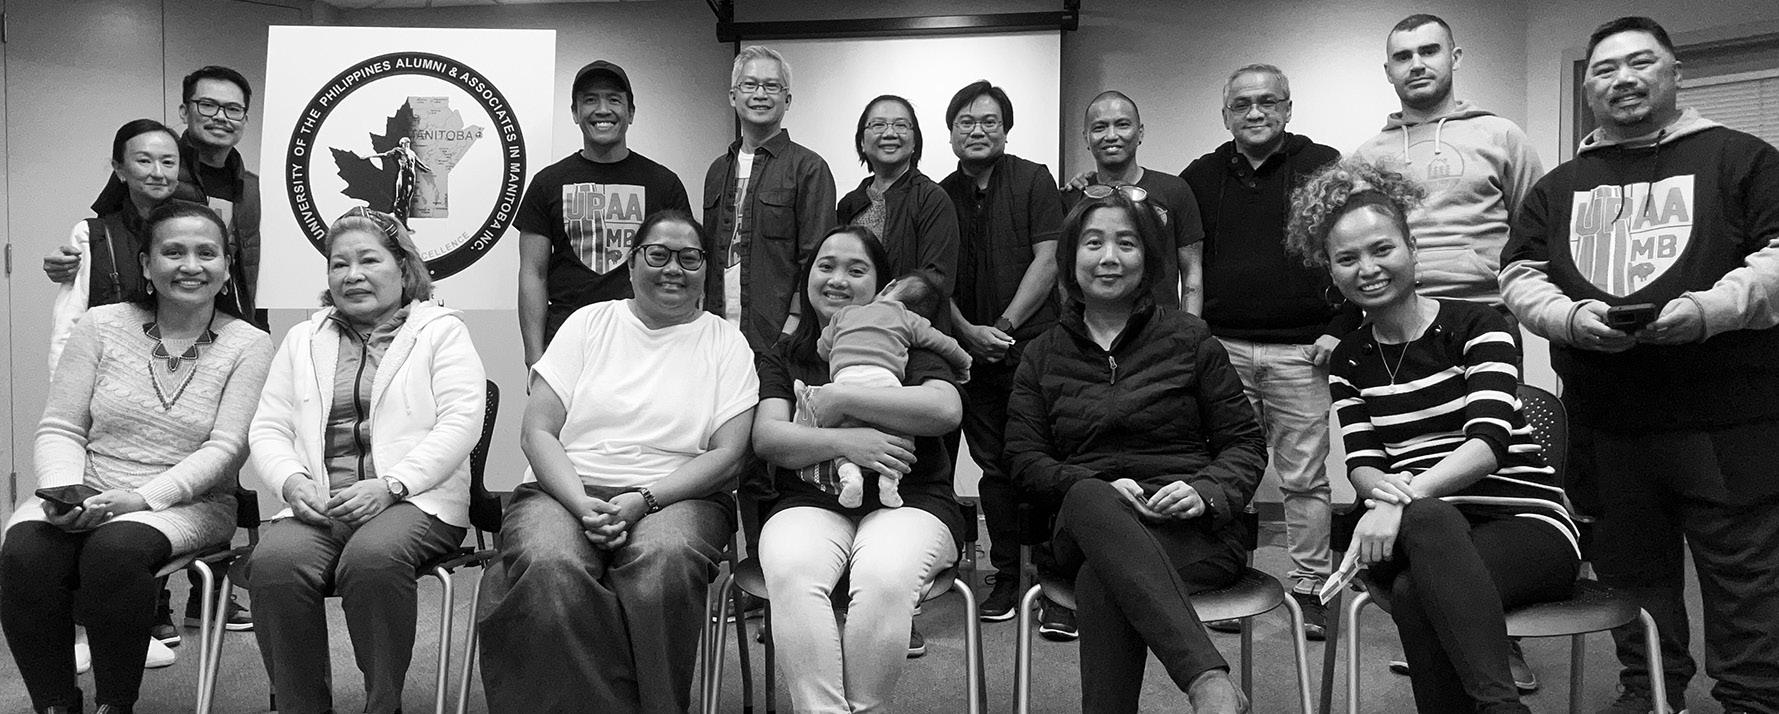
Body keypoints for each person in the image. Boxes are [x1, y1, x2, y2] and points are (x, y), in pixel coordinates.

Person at [1501, 16, 1779, 714]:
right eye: (1604, 68)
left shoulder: (1744, 159)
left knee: (1745, 579)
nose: (1622, 78)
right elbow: (1519, 276)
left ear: (1674, 72)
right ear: (1588, 86)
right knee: (1632, 574)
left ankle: (1753, 700)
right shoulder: (1558, 186)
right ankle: (1651, 691)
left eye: (1640, 62)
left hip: (1729, 420)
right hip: (1607, 424)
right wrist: (1569, 319)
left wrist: (1706, 311)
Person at [1284, 159, 1580, 714]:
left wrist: (1398, 501)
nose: (1367, 269)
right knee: (1425, 527)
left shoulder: (1480, 325)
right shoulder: (1349, 358)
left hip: (1526, 527)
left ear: (1413, 248)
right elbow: (1363, 463)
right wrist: (1398, 502)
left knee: (1414, 592)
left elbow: (1487, 444)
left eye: (1382, 249)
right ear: (1331, 271)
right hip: (1411, 530)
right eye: (1347, 259)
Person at [477, 210, 756, 714]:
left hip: (678, 494)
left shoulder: (725, 342)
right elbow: (537, 431)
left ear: (705, 271)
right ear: (631, 264)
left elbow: (729, 454)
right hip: (566, 487)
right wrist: (580, 502)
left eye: (689, 258)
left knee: (660, 568)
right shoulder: (589, 323)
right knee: (550, 564)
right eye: (658, 255)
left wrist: (644, 500)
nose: (673, 269)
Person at [2, 201, 273, 714]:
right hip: (87, 485)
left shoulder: (249, 344)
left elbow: (226, 448)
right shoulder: (101, 324)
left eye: (206, 253)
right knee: (24, 552)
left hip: (189, 503)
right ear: (146, 264)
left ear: (226, 264)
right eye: (173, 252)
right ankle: (54, 705)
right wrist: (65, 491)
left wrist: (142, 498)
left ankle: (115, 705)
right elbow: (61, 426)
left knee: (114, 550)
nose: (190, 265)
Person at [1004, 190, 1266, 714]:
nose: (1109, 257)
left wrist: (1205, 491)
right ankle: (1207, 681)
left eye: (1126, 243)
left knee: (1103, 580)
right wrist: (1093, 486)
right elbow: (1024, 459)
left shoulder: (1190, 339)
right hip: (1083, 522)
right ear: (1070, 258)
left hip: (1190, 532)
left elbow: (1244, 441)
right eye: (1093, 243)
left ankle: (1207, 686)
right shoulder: (1041, 355)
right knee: (1089, 495)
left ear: (1147, 258)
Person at [244, 207, 486, 714]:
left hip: (416, 501)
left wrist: (391, 485)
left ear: (404, 267)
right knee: (273, 565)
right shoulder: (303, 339)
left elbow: (461, 423)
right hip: (323, 502)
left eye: (369, 260)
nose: (352, 275)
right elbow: (268, 427)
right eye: (339, 264)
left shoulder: (441, 331)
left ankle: (383, 704)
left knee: (372, 560)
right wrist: (292, 483)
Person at [753, 225, 967, 711]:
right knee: (791, 568)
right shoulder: (787, 354)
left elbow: (944, 409)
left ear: (881, 285)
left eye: (856, 270)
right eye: (826, 266)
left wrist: (844, 398)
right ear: (808, 277)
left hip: (910, 502)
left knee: (885, 575)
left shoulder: (905, 339)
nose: (837, 279)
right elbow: (769, 438)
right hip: (809, 501)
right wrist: (848, 441)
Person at [1179, 64, 1345, 640]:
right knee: (1227, 472)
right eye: (1242, 104)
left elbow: (1354, 245)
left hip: (1304, 352)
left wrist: (1342, 326)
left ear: (1288, 108)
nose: (1255, 112)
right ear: (1226, 114)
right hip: (1222, 349)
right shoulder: (1202, 175)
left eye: (1268, 102)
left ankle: (1312, 587)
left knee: (1305, 479)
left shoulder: (1323, 164)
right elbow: (1162, 227)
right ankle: (1228, 578)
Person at [933, 80, 1066, 631]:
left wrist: (1004, 327)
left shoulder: (1034, 179)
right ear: (950, 133)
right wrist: (969, 333)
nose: (978, 130)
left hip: (1032, 350)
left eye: (989, 121)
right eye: (965, 121)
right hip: (967, 353)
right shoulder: (940, 194)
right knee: (994, 468)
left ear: (1006, 129)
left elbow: (1049, 258)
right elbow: (934, 279)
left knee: (1044, 462)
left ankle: (1058, 582)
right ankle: (1007, 575)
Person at [1353, 14, 1543, 315]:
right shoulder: (1367, 157)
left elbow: (1534, 234)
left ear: (1455, 58)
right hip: (1395, 314)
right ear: (1389, 72)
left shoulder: (1502, 136)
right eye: (1403, 57)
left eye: (1429, 51)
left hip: (1487, 311)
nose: (1416, 65)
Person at [46, 66, 264, 326]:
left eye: (233, 109)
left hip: (231, 321)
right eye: (207, 105)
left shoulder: (253, 187)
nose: (220, 117)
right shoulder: (158, 172)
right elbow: (111, 236)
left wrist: (258, 323)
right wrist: (67, 262)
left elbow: (251, 262)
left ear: (245, 119)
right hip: (166, 319)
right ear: (184, 111)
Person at [516, 59, 692, 366]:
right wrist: (534, 355)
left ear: (631, 113)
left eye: (614, 99)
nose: (602, 110)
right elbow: (533, 273)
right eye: (590, 100)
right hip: (567, 339)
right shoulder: (547, 183)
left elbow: (685, 268)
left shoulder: (664, 184)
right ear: (575, 113)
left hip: (646, 340)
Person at [702, 45, 838, 351]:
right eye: (750, 85)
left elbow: (816, 259)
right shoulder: (717, 170)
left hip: (778, 336)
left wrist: (793, 324)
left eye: (772, 86)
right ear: (733, 96)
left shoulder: (809, 168)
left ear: (787, 99)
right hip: (717, 332)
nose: (760, 94)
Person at [814, 268, 971, 508]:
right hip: (884, 382)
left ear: (888, 287)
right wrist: (964, 363)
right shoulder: (908, 318)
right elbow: (943, 343)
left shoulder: (846, 313)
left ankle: (850, 478)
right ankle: (889, 482)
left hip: (846, 379)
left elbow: (823, 349)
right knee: (897, 436)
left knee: (843, 433)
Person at [1060, 91, 1205, 312]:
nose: (1111, 135)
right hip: (1092, 325)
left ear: (1140, 133)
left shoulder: (1175, 190)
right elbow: (1062, 273)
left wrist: (1191, 328)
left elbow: (1192, 272)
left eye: (1122, 125)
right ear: (1086, 138)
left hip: (1164, 325)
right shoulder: (1073, 196)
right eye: (1099, 127)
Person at [836, 95, 961, 307]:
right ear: (862, 142)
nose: (890, 133)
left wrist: (883, 303)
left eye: (901, 125)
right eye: (878, 125)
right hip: (851, 321)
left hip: (909, 322)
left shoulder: (932, 199)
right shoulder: (849, 204)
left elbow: (937, 278)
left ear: (915, 142)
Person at [374, 137, 431, 224]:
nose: (406, 144)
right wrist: (369, 156)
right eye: (405, 143)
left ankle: (404, 222)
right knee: (399, 198)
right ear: (402, 144)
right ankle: (396, 219)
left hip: (411, 176)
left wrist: (430, 170)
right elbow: (385, 155)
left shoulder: (412, 153)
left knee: (407, 200)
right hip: (403, 175)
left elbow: (420, 164)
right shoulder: (398, 150)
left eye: (408, 142)